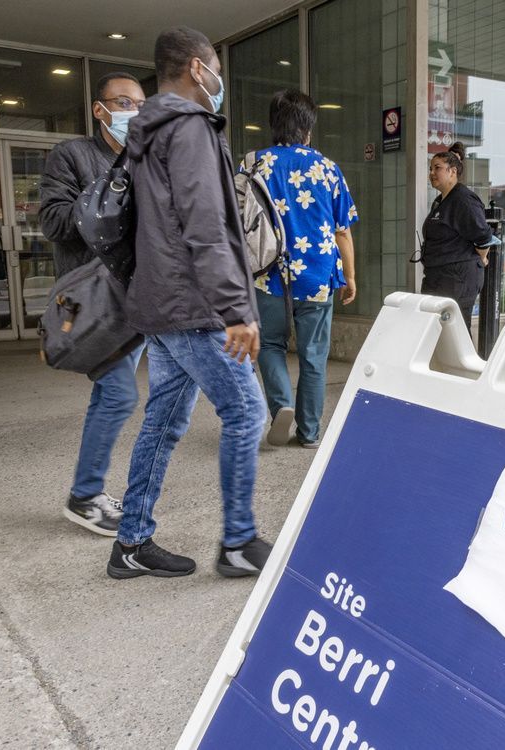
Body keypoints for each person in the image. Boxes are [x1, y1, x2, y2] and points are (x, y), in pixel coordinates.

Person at [107, 26, 269, 580]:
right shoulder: (191, 128)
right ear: (198, 69)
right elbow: (206, 225)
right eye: (216, 65)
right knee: (248, 413)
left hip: (160, 304)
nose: (219, 77)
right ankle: (239, 543)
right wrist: (235, 309)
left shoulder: (144, 134)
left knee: (163, 424)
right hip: (193, 307)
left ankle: (130, 541)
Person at [39, 71, 147, 536]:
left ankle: (89, 490)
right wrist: (111, 194)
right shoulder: (72, 156)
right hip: (93, 301)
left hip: (135, 301)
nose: (133, 113)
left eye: (141, 105)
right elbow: (54, 220)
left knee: (112, 395)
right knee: (120, 393)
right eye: (123, 103)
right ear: (99, 109)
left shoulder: (145, 158)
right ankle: (84, 496)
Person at [251, 89, 358, 448]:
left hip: (268, 272)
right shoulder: (327, 169)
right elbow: (343, 230)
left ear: (272, 126)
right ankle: (309, 432)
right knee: (313, 354)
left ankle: (281, 406)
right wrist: (350, 275)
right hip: (317, 274)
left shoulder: (253, 164)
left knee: (269, 344)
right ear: (308, 130)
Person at [420, 142, 495, 332]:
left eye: (437, 168)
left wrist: (482, 257)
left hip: (457, 278)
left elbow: (484, 236)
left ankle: (462, 363)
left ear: (452, 171)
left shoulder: (463, 199)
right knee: (436, 332)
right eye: (430, 169)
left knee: (455, 334)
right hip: (438, 276)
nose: (432, 173)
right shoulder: (440, 201)